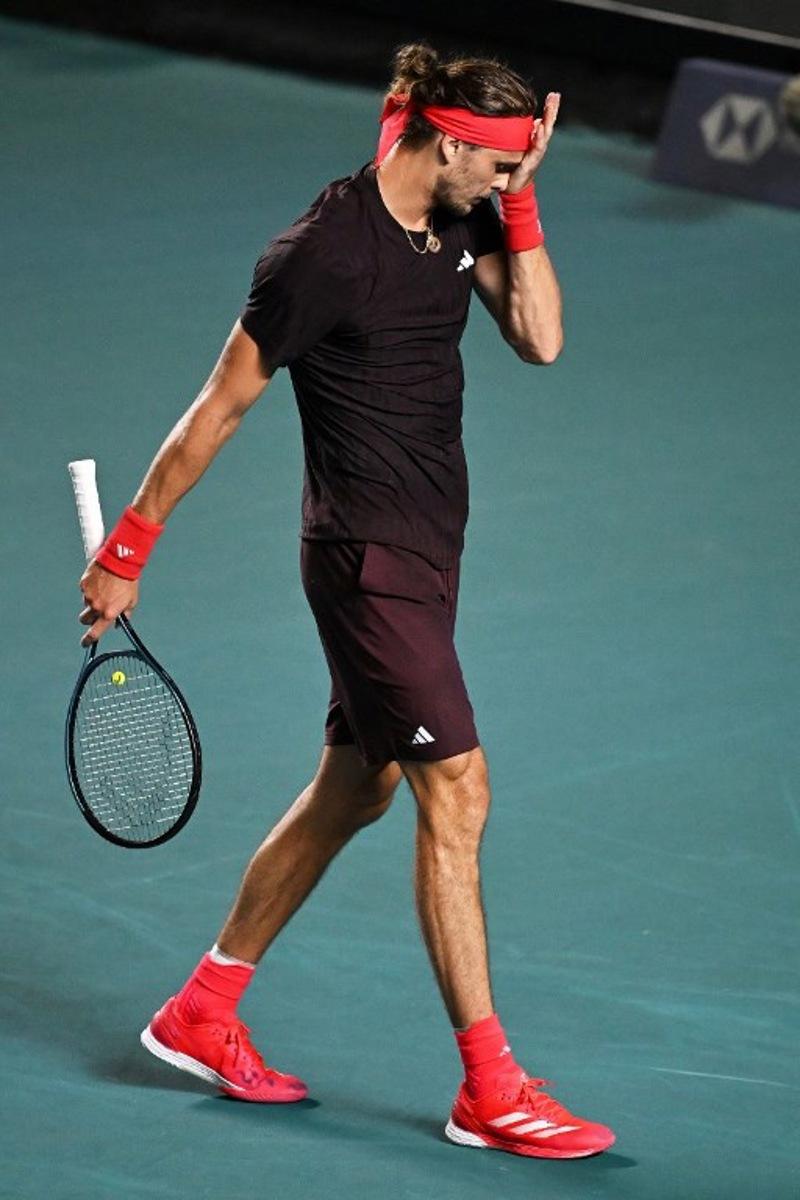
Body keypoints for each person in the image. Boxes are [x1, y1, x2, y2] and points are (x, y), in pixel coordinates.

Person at [78, 43, 615, 1160]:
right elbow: (218, 406)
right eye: (496, 170)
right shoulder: (322, 254)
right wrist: (130, 545)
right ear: (448, 141)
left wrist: (517, 204)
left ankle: (201, 1009)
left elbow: (543, 338)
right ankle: (489, 1086)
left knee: (355, 790)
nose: (504, 190)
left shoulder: (459, 207)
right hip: (365, 562)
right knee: (454, 796)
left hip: (430, 552)